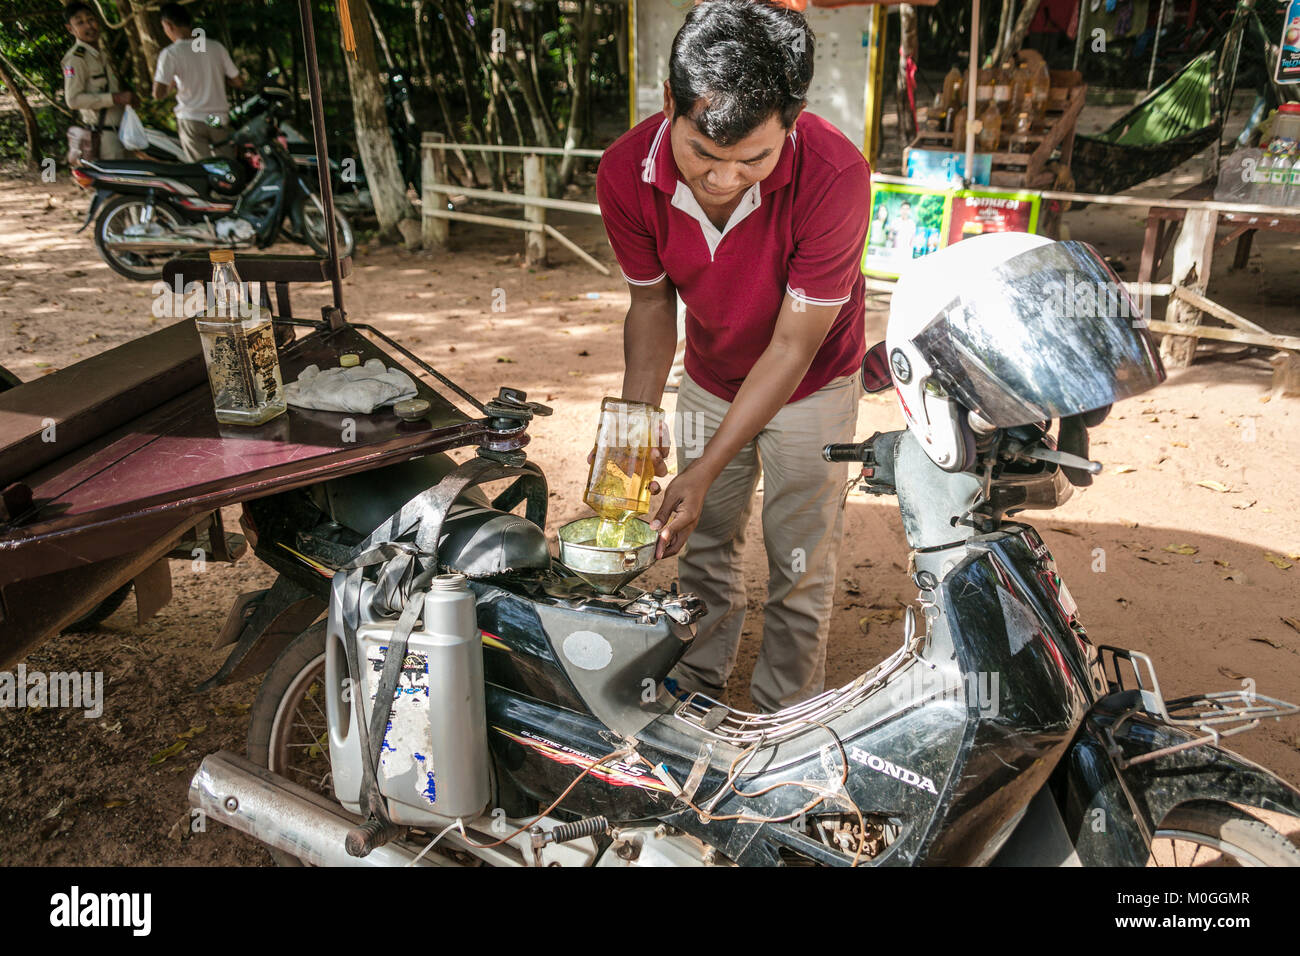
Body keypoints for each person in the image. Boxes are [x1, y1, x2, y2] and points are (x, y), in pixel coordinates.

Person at [595, 0, 869, 713]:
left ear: (793, 121)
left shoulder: (837, 175)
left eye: (753, 159)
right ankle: (699, 691)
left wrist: (706, 463)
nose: (721, 180)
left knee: (799, 562)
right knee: (704, 543)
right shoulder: (626, 171)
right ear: (669, 106)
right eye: (702, 155)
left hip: (811, 384)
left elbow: (791, 343)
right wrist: (632, 435)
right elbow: (653, 309)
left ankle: (785, 715)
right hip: (711, 376)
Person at [151, 2, 243, 160]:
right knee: (226, 166)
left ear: (168, 24)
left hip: (192, 118)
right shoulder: (216, 47)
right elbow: (238, 82)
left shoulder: (171, 53)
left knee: (202, 168)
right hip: (216, 119)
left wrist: (172, 85)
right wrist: (217, 79)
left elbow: (158, 94)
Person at [62, 2, 137, 161]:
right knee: (115, 184)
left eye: (91, 19)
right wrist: (115, 98)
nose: (89, 25)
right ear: (70, 29)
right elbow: (73, 100)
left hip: (124, 133)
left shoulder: (101, 53)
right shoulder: (76, 59)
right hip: (103, 137)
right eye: (80, 22)